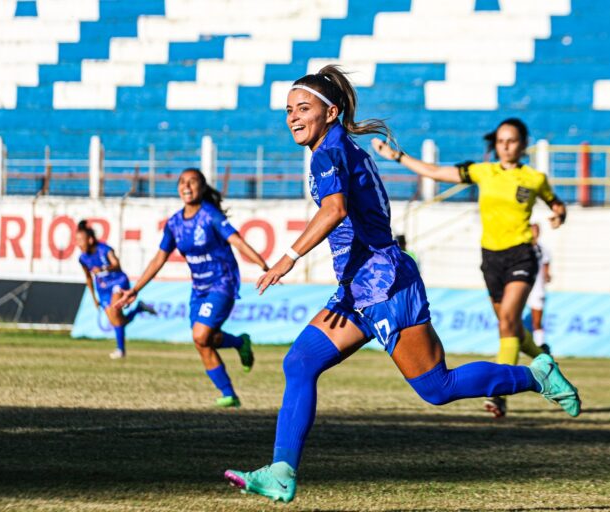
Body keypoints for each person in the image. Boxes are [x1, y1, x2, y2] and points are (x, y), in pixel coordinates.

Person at [223, 66, 580, 503]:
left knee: (437, 388)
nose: (293, 118)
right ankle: (281, 471)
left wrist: (287, 258)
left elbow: (334, 210)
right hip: (359, 288)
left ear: (330, 112)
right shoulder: (337, 147)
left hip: (385, 286)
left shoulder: (328, 153)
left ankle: (534, 375)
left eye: (303, 108)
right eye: (288, 110)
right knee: (300, 363)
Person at [372, 117, 567, 418]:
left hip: (522, 256)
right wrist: (397, 156)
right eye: (501, 141)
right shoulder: (482, 171)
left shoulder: (534, 179)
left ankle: (500, 395)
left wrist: (558, 214)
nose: (505, 146)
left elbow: (556, 204)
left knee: (507, 321)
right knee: (510, 325)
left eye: (512, 141)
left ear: (523, 144)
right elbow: (436, 171)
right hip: (491, 259)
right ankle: (545, 361)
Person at [114, 168, 269, 407]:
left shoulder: (211, 216)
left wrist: (264, 265)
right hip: (199, 288)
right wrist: (136, 289)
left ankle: (237, 353)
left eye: (193, 182)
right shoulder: (174, 223)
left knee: (200, 333)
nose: (187, 186)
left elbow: (236, 240)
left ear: (202, 187)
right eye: (182, 182)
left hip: (223, 282)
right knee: (202, 341)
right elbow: (159, 259)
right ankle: (230, 390)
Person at [76, 220, 156, 359]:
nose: (78, 244)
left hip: (117, 282)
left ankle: (121, 350)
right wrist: (94, 298)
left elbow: (116, 264)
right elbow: (88, 278)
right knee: (117, 322)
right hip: (102, 289)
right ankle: (138, 309)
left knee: (115, 313)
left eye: (81, 240)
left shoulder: (104, 249)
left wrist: (103, 268)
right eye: (76, 240)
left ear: (90, 239)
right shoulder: (83, 258)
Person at [527, 222, 551, 354]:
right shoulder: (522, 248)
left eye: (536, 230)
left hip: (537, 288)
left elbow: (546, 268)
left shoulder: (543, 250)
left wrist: (547, 276)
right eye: (532, 229)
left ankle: (540, 349)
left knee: (537, 322)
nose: (534, 232)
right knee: (513, 320)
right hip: (521, 287)